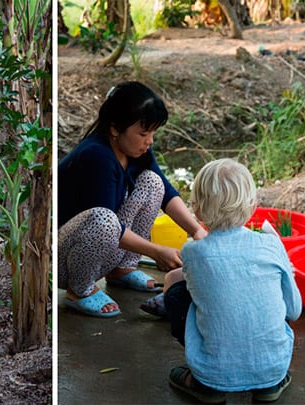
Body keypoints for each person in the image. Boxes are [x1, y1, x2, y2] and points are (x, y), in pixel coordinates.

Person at [58, 81, 207, 317]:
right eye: (143, 133)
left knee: (152, 182)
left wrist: (197, 231)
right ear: (115, 128)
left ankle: (121, 270)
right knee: (104, 219)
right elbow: (104, 226)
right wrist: (157, 251)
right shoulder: (97, 156)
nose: (149, 141)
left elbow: (166, 192)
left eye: (153, 133)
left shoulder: (136, 151)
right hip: (64, 259)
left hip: (101, 243)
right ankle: (80, 290)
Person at [165, 158, 302, 403]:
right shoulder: (271, 244)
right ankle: (269, 385)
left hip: (211, 372)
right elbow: (294, 310)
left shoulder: (192, 252)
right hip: (274, 367)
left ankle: (206, 385)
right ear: (253, 207)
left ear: (196, 211)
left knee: (175, 288)